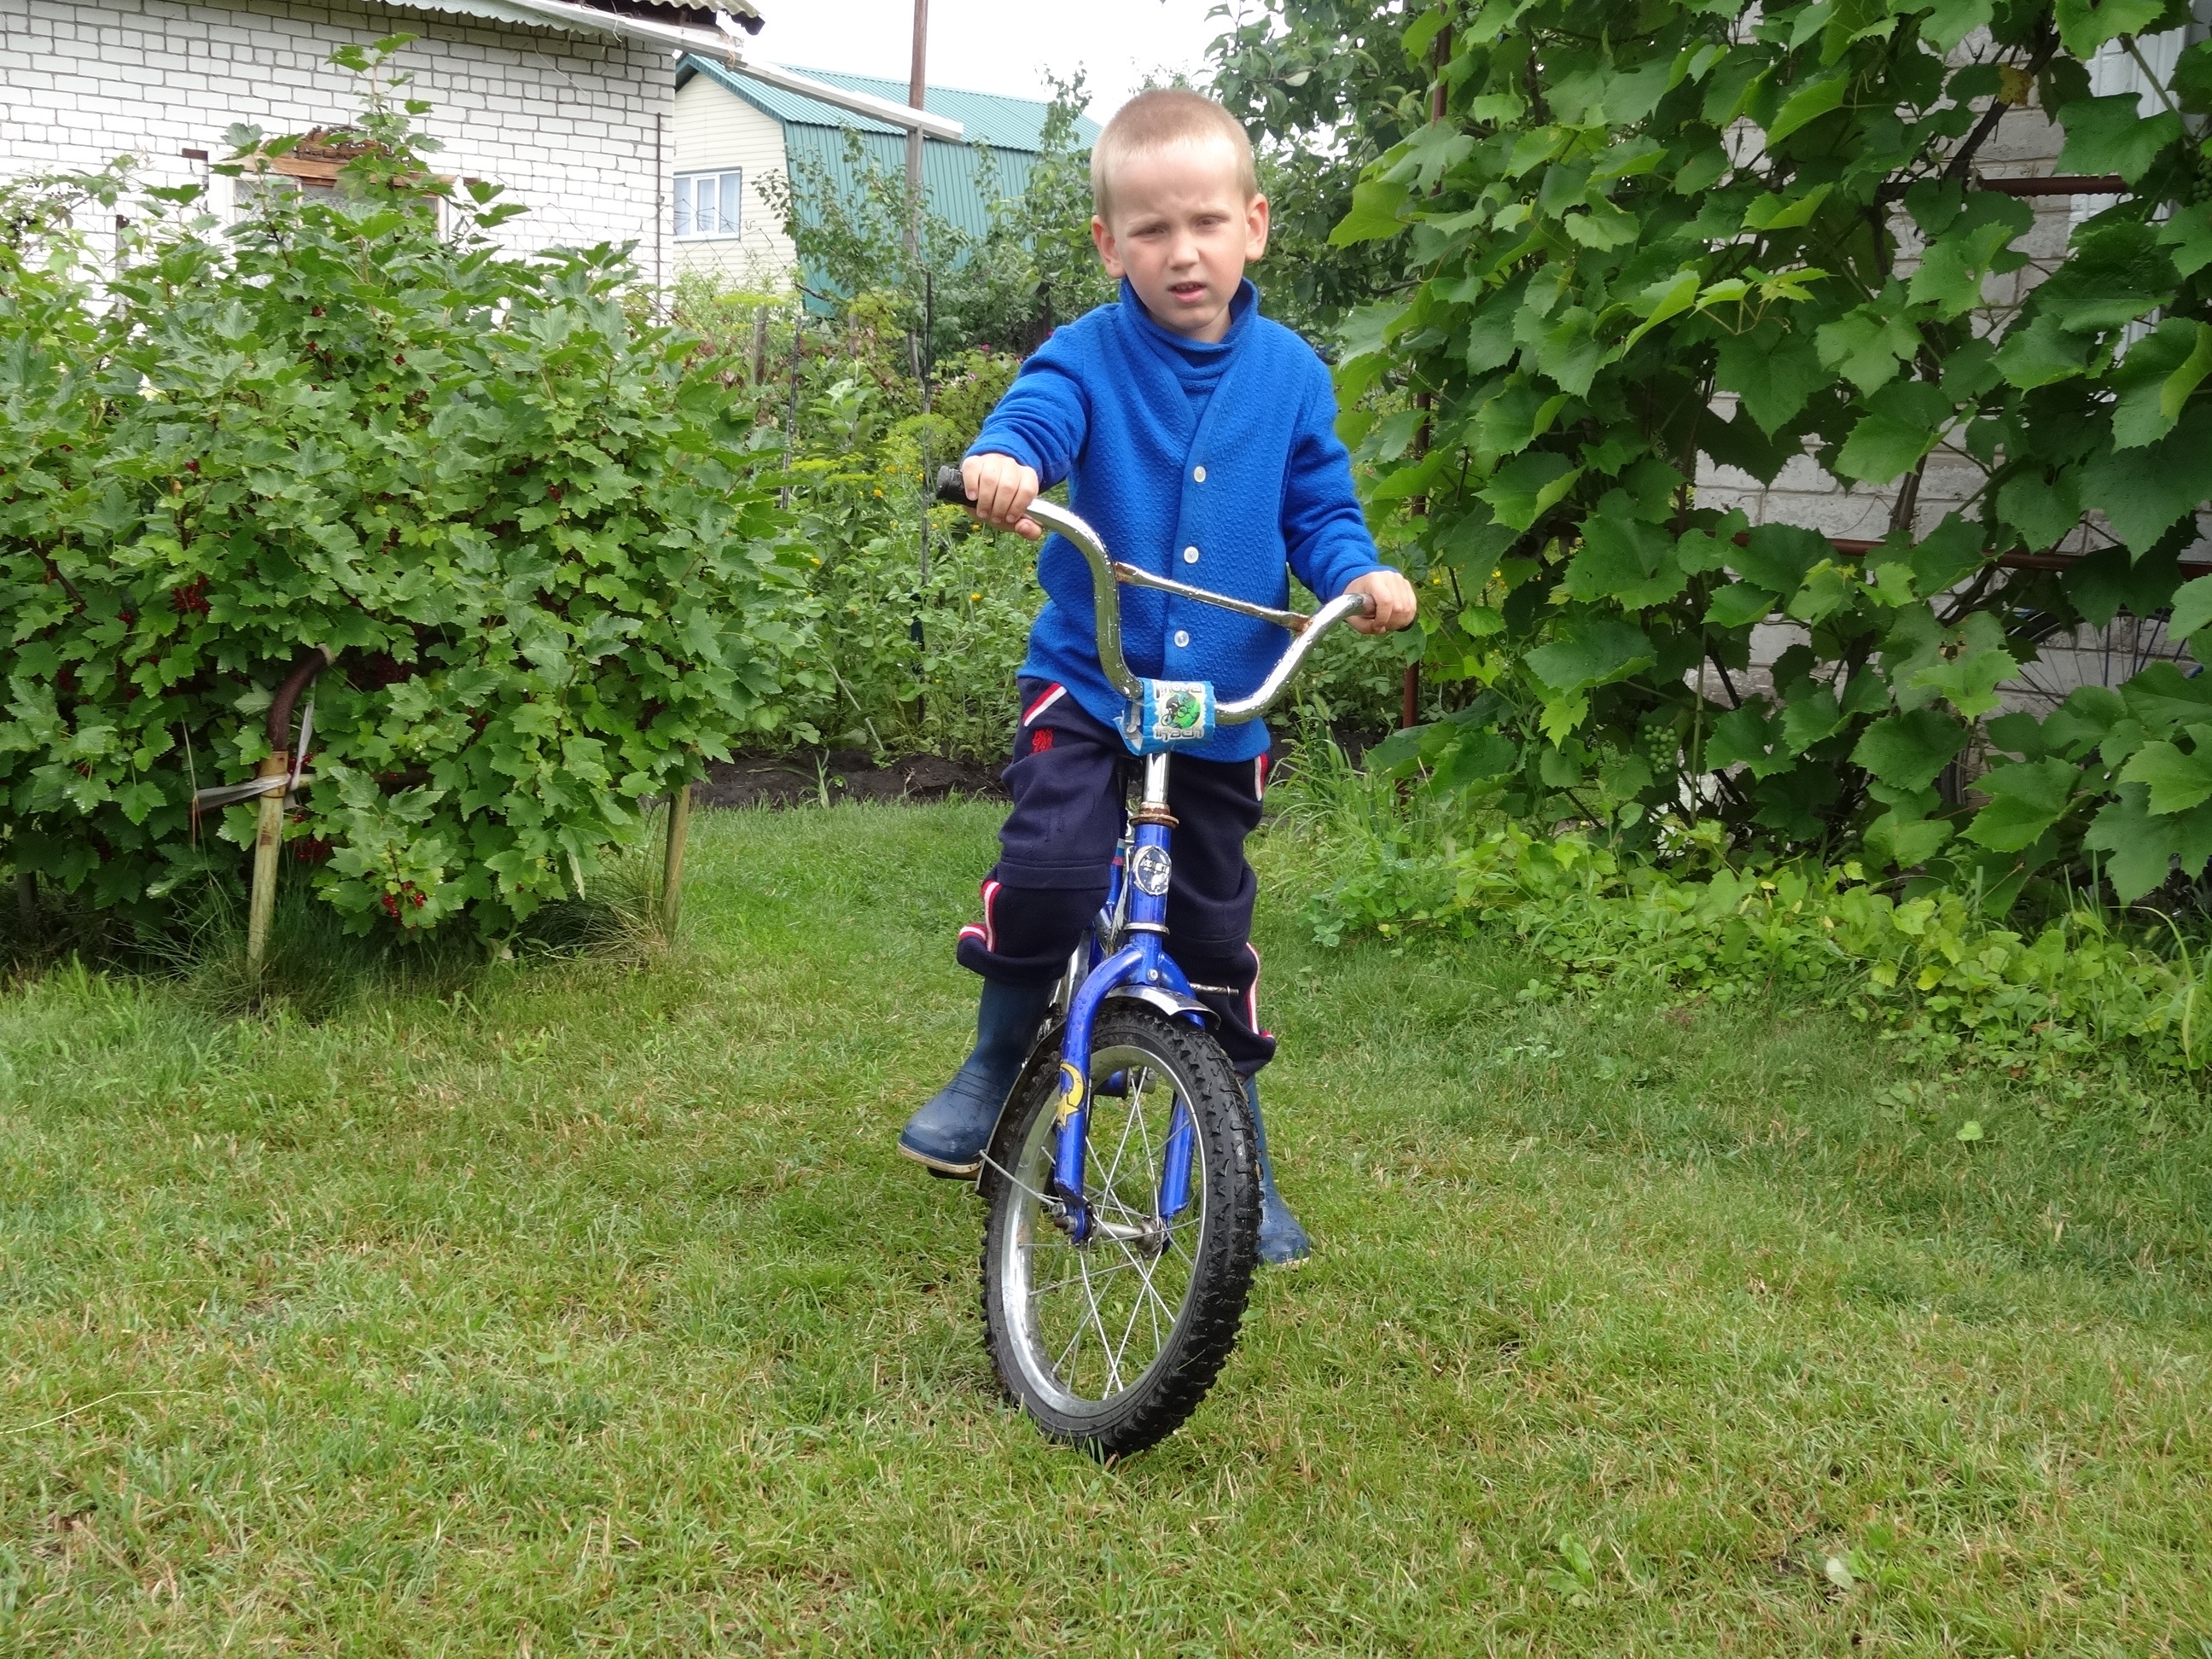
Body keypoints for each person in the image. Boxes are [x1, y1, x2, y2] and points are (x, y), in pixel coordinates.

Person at [897, 88, 1418, 1264]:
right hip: (1089, 687)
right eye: (1151, 230)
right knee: (1049, 868)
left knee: (1214, 942)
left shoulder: (1291, 375)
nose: (1183, 252)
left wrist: (1360, 574)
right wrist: (1004, 460)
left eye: (1206, 223)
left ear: (1255, 226)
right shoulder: (1085, 355)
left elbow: (1320, 508)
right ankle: (994, 1063)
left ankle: (1241, 1159)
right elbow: (1039, 416)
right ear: (1109, 244)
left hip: (1221, 713)